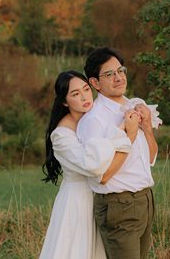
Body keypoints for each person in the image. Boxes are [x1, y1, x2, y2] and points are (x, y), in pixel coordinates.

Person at [39, 70, 141, 259]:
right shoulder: (61, 135)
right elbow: (92, 164)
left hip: (103, 198)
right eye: (75, 94)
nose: (85, 97)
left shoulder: (94, 120)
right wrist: (123, 132)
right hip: (78, 201)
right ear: (64, 101)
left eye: (86, 89)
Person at [77, 47, 159, 259]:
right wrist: (129, 136)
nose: (118, 77)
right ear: (95, 83)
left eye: (120, 71)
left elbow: (150, 160)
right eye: (109, 74)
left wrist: (147, 127)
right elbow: (101, 176)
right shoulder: (94, 120)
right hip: (119, 205)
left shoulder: (133, 106)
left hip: (145, 200)